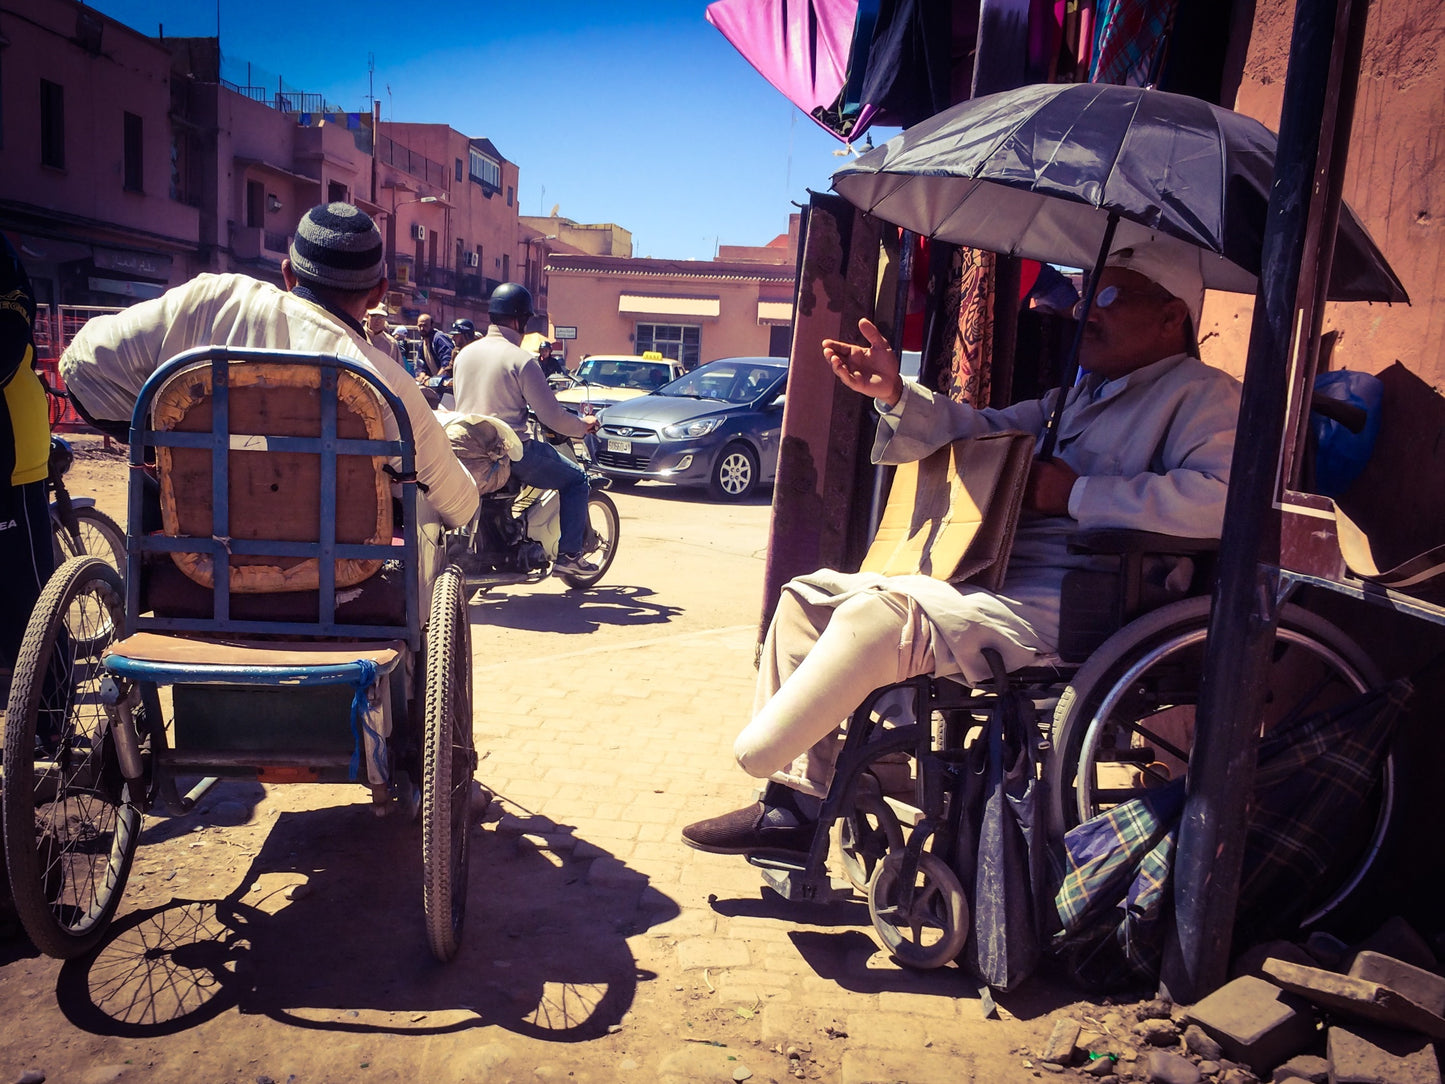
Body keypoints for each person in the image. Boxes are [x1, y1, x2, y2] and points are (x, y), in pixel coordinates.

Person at [681, 241, 1242, 858]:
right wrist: (895, 396)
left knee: (879, 619)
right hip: (1007, 577)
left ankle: (783, 760)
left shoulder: (1204, 396)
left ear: (1172, 319)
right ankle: (793, 805)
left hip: (1086, 598)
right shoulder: (1073, 401)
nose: (1089, 311)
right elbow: (979, 429)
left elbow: (1220, 502)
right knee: (808, 597)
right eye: (1087, 295)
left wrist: (1078, 493)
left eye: (1111, 296)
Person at [60, 202, 478, 532]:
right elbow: (458, 505)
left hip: (194, 559)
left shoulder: (210, 299)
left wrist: (163, 444)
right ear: (377, 295)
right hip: (337, 580)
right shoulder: (386, 385)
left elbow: (80, 366)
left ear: (288, 274)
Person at [451, 282, 601, 577]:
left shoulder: (465, 355)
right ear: (520, 320)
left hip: (466, 448)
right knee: (577, 480)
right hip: (510, 451)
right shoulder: (521, 360)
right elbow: (552, 417)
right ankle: (569, 557)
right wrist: (581, 427)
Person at [1, 236, 53, 687]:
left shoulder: (1, 257)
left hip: (10, 453)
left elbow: (6, 341)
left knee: (28, 600)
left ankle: (51, 723)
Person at [365, 302, 403, 366]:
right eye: (374, 316)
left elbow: (399, 369)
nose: (378, 320)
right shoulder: (358, 336)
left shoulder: (391, 343)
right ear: (367, 316)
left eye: (382, 317)